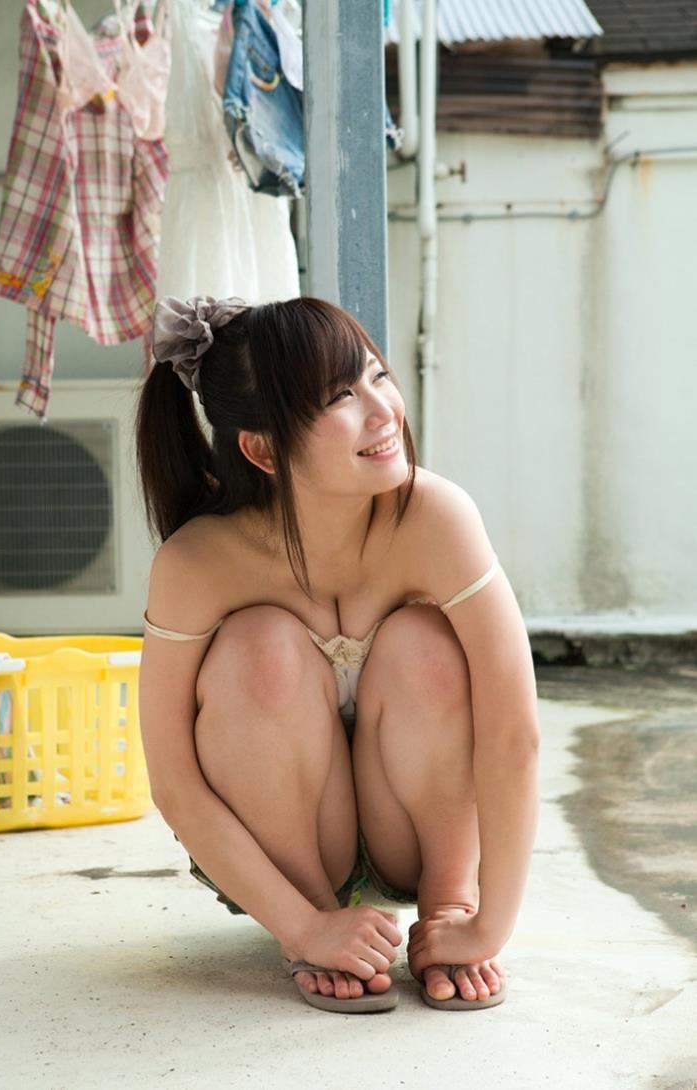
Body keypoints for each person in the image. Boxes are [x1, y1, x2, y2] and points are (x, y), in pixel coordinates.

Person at [135, 294, 540, 1014]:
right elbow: (173, 782)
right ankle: (322, 921)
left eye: (377, 376)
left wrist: (488, 925)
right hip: (286, 853)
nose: (383, 411)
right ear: (263, 449)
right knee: (259, 647)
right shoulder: (197, 564)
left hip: (411, 831)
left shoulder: (436, 517)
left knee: (424, 642)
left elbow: (515, 733)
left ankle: (447, 901)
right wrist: (303, 926)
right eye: (339, 399)